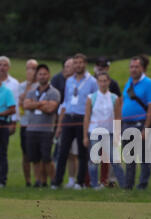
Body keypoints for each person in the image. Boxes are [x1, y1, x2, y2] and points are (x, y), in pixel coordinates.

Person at [52, 53, 97, 189]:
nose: (78, 65)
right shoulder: (69, 80)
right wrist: (60, 124)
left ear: (85, 64)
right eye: (75, 63)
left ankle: (80, 182)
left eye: (80, 62)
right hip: (68, 117)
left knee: (82, 152)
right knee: (62, 151)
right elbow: (65, 102)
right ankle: (57, 181)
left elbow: (94, 102)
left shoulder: (92, 82)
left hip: (82, 118)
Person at [83, 72, 125, 189]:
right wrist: (85, 136)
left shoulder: (114, 98)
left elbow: (117, 117)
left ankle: (123, 184)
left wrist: (117, 134)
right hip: (94, 132)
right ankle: (94, 184)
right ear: (97, 82)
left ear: (109, 82)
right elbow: (87, 117)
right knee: (94, 160)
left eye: (105, 81)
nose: (102, 83)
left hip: (109, 132)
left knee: (115, 160)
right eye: (100, 81)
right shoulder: (91, 98)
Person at [121, 56, 151, 190]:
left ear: (142, 68)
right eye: (131, 67)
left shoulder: (148, 83)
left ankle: (142, 185)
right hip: (127, 124)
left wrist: (146, 128)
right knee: (128, 157)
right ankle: (128, 185)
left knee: (144, 158)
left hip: (141, 123)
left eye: (136, 67)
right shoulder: (129, 82)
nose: (134, 69)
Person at [24, 64, 60, 187]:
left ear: (48, 75)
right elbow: (26, 105)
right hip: (31, 129)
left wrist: (35, 104)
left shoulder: (54, 92)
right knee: (35, 158)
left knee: (46, 157)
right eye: (40, 74)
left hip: (46, 130)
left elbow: (50, 108)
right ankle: (39, 181)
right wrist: (42, 103)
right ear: (36, 76)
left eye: (44, 74)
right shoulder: (31, 92)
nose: (42, 76)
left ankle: (53, 181)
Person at [93, 56, 122, 187]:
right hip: (94, 126)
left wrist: (117, 128)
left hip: (109, 126)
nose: (100, 68)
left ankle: (109, 180)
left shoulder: (113, 84)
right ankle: (91, 181)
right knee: (94, 156)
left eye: (103, 66)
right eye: (99, 66)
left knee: (110, 155)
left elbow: (118, 104)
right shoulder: (91, 82)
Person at [50, 57, 78, 189]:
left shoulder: (78, 82)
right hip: (61, 119)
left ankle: (73, 180)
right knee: (60, 152)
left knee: (74, 153)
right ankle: (56, 179)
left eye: (70, 66)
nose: (67, 69)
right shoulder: (58, 79)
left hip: (76, 120)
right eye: (66, 66)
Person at [0, 56, 20, 186]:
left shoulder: (14, 83)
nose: (2, 67)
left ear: (8, 67)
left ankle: (2, 179)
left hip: (6, 121)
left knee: (2, 151)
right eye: (0, 64)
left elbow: (15, 103)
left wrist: (14, 123)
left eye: (5, 65)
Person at [18, 59, 39, 187]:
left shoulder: (43, 85)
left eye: (34, 68)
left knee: (38, 154)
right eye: (28, 68)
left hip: (38, 124)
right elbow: (22, 103)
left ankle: (39, 180)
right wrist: (29, 85)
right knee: (25, 154)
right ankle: (28, 181)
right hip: (25, 123)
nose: (31, 71)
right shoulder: (22, 86)